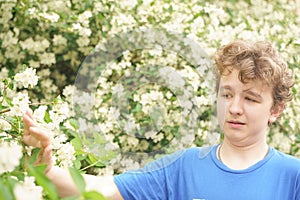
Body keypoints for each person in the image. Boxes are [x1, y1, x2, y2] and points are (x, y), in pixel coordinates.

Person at [22, 40, 300, 200]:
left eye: (250, 99)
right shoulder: (183, 167)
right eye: (227, 94)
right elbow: (103, 190)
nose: (234, 108)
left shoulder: (293, 176)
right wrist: (44, 171)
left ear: (275, 109)